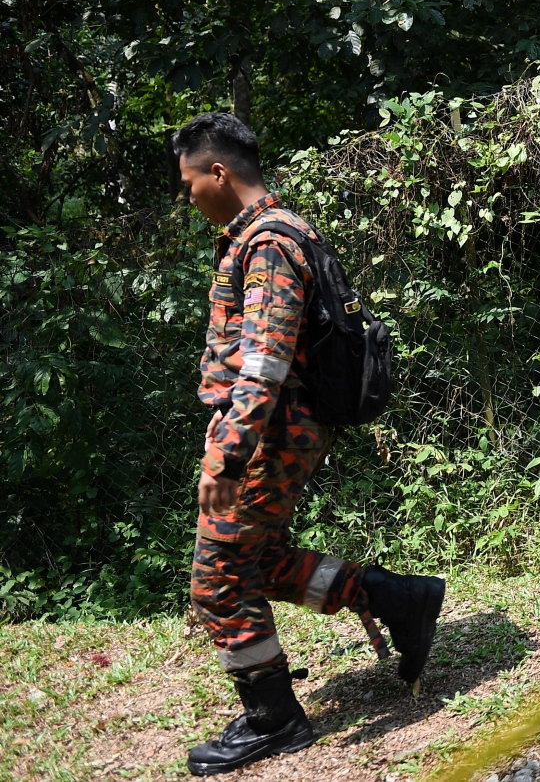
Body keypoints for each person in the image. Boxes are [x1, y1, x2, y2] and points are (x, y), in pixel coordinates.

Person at [175, 113, 445, 776]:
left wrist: (229, 453)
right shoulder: (270, 234)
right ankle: (393, 597)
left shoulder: (267, 242)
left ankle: (275, 719)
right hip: (273, 426)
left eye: (189, 181)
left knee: (217, 576)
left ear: (218, 172)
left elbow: (265, 362)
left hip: (270, 431)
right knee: (258, 563)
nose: (188, 195)